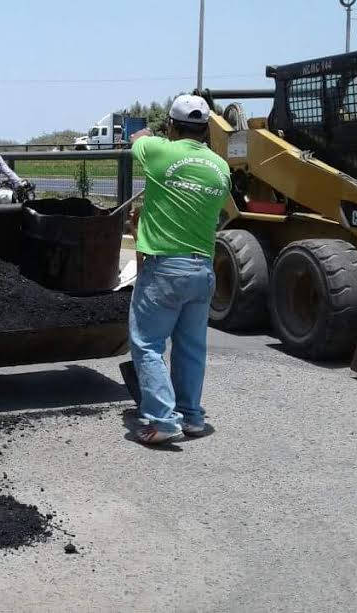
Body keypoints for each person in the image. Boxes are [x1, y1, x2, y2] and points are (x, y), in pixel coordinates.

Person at [127, 94, 231, 444]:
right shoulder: (221, 167)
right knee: (190, 346)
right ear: (205, 129)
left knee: (148, 344)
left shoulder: (159, 151)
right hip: (202, 267)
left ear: (171, 125)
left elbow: (136, 139)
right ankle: (191, 416)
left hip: (165, 267)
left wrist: (150, 132)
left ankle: (162, 420)